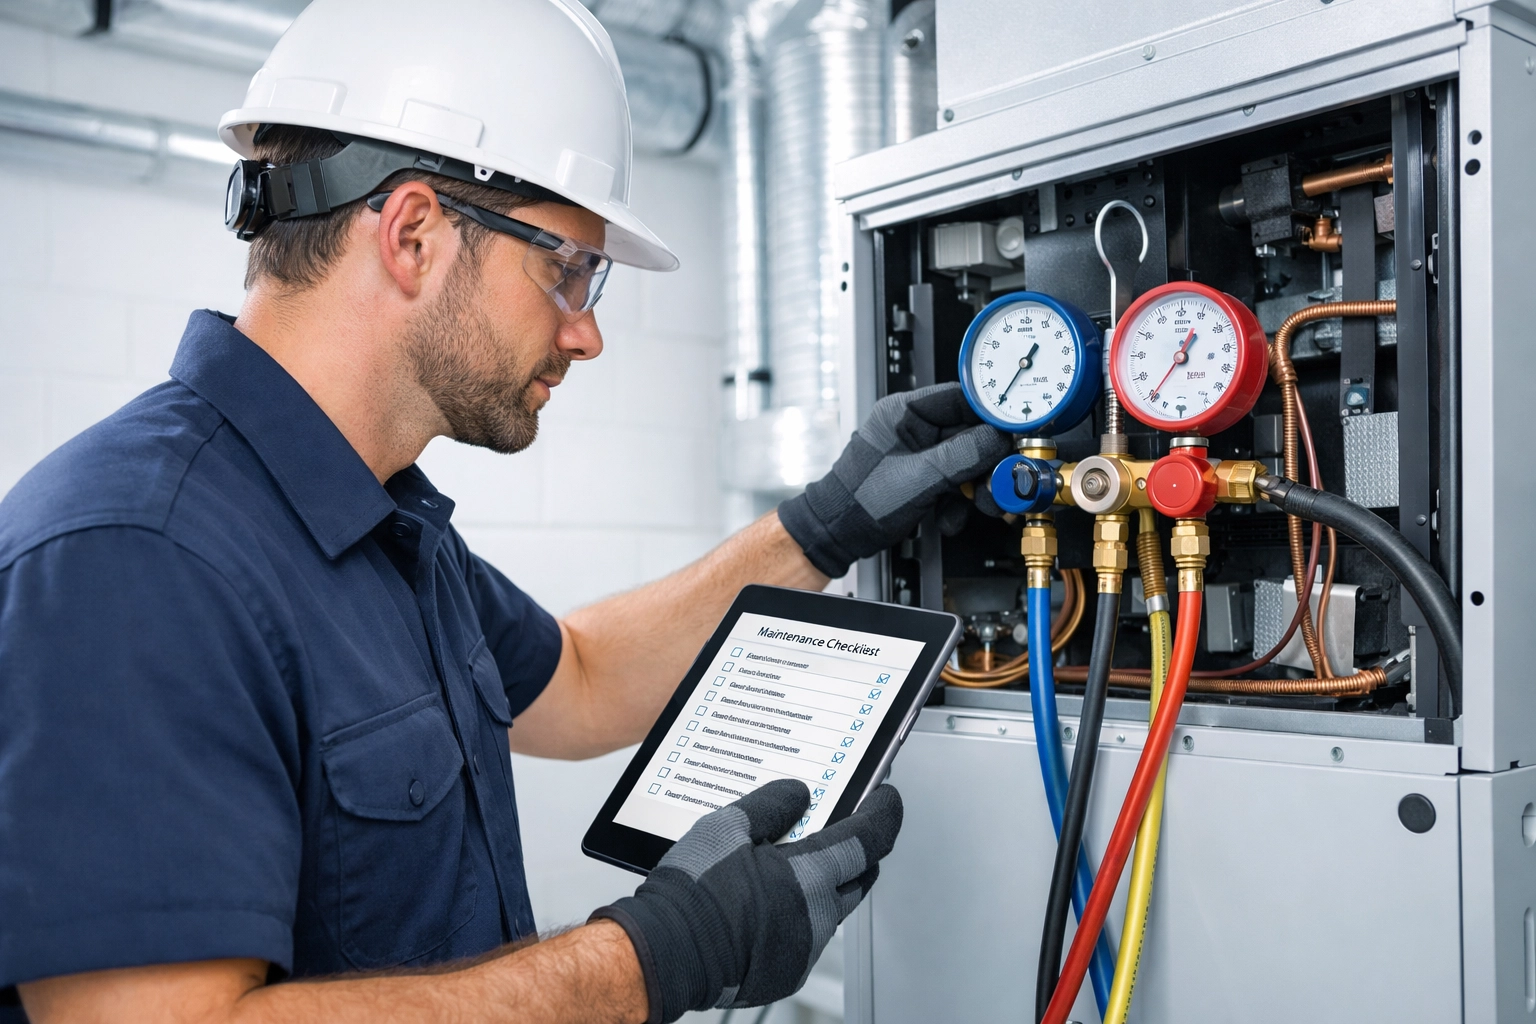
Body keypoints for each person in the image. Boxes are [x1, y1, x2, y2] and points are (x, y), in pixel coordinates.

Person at [0, 1, 1010, 1022]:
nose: (586, 335)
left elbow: (579, 676)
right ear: (412, 235)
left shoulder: (381, 525)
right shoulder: (134, 556)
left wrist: (820, 529)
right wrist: (651, 960)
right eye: (565, 268)